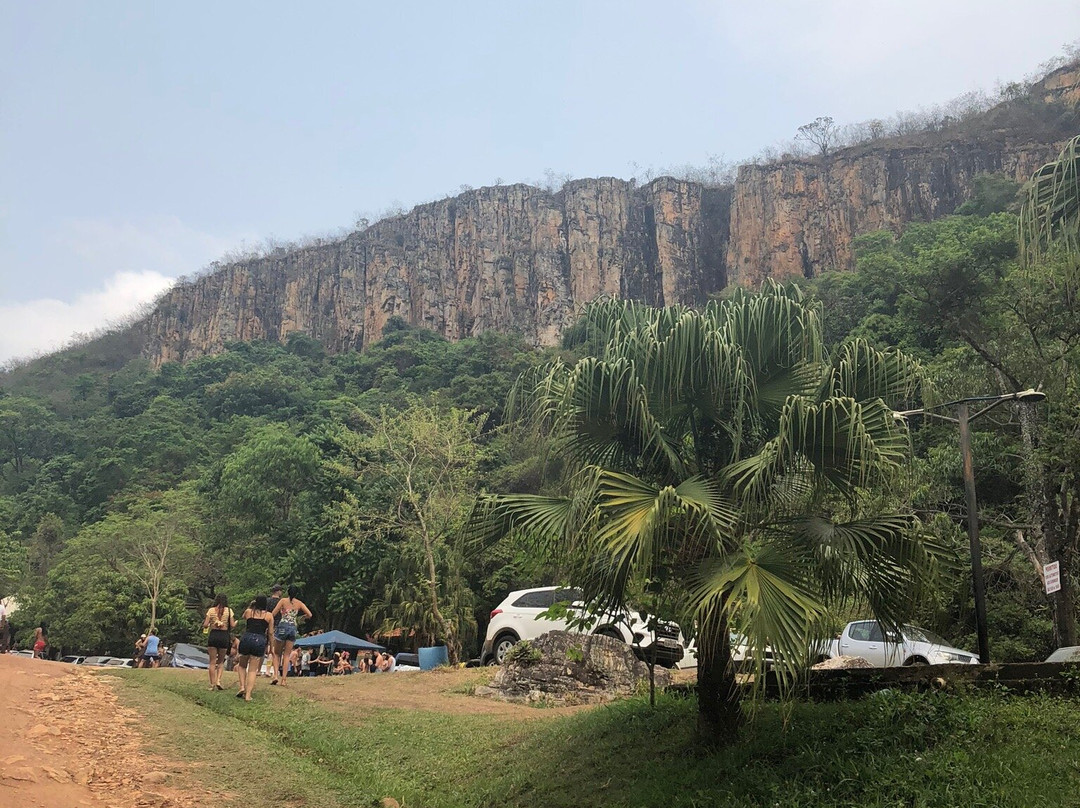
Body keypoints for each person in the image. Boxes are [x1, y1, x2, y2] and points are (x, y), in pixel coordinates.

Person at [270, 586, 311, 687]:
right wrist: (302, 618)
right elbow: (309, 614)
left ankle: (275, 675)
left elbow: (273, 613)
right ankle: (284, 680)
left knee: (276, 653)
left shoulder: (283, 601)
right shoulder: (299, 603)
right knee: (287, 655)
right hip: (293, 627)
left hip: (283, 625)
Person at [236, 596, 274, 702]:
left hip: (247, 638)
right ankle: (248, 695)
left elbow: (243, 616)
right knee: (253, 670)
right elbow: (270, 633)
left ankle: (242, 687)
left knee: (242, 665)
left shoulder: (249, 612)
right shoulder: (269, 616)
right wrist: (272, 646)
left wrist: (251, 605)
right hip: (260, 640)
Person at [201, 594, 235, 691]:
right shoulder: (229, 611)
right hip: (224, 636)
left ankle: (212, 684)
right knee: (220, 661)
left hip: (214, 635)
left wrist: (212, 623)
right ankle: (218, 680)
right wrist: (235, 623)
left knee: (212, 662)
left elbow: (205, 624)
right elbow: (232, 625)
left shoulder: (211, 610)